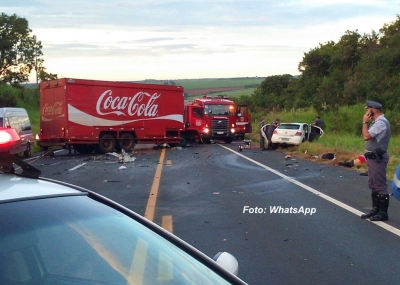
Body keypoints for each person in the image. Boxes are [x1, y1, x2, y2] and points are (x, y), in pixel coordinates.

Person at [360, 100, 391, 221]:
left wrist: (364, 122)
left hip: (377, 158)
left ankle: (383, 213)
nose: (367, 112)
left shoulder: (381, 123)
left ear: (373, 110)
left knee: (379, 185)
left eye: (368, 110)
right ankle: (375, 210)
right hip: (372, 158)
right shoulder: (377, 122)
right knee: (373, 184)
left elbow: (366, 136)